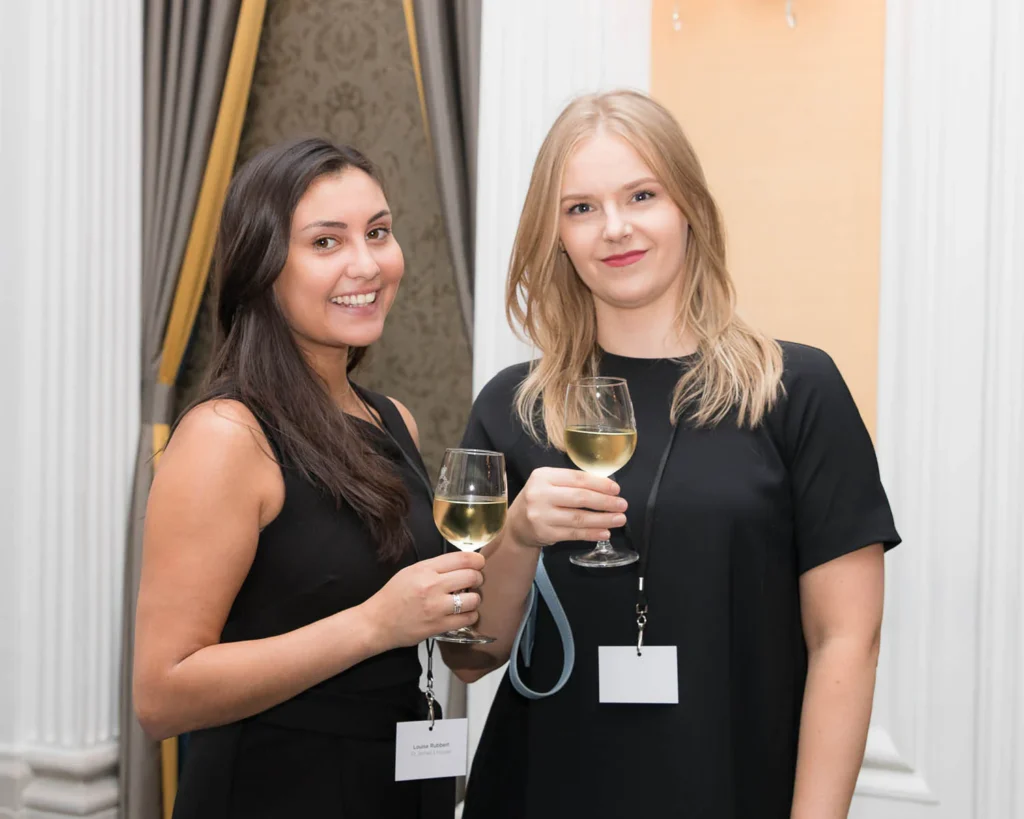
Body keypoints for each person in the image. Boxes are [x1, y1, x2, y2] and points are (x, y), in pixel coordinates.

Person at [441, 90, 900, 819]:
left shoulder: (794, 390)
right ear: (555, 235)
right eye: (581, 207)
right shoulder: (512, 407)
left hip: (729, 786)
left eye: (641, 195)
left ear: (688, 206)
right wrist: (519, 535)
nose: (614, 228)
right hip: (543, 789)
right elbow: (470, 655)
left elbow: (846, 638)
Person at [132, 137, 483, 819]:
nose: (367, 263)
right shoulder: (227, 435)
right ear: (263, 268)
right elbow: (162, 695)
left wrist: (519, 536)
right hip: (277, 789)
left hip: (394, 782)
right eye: (326, 242)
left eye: (378, 232)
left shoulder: (393, 420)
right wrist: (374, 624)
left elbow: (453, 643)